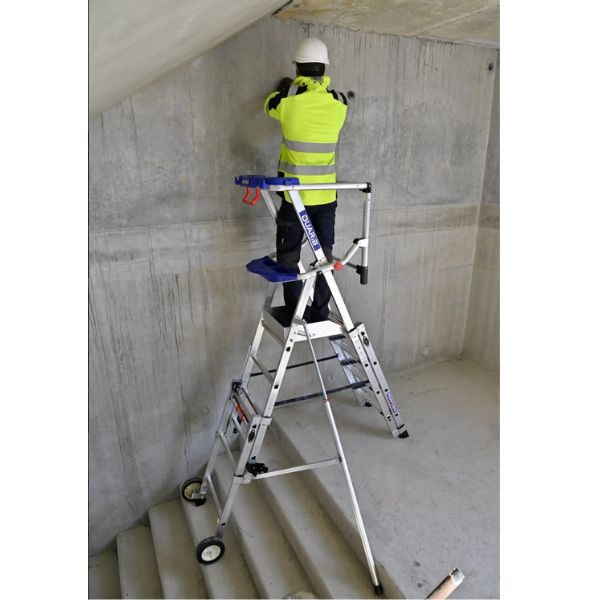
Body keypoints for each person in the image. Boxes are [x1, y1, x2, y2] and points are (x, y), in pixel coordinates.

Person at [264, 38, 348, 323]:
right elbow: (336, 100)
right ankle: (320, 312)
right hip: (326, 198)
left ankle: (295, 311)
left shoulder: (288, 100)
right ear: (325, 69)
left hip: (295, 198)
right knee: (325, 259)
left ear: (297, 68)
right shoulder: (339, 104)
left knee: (288, 258)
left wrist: (286, 87)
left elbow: (268, 106)